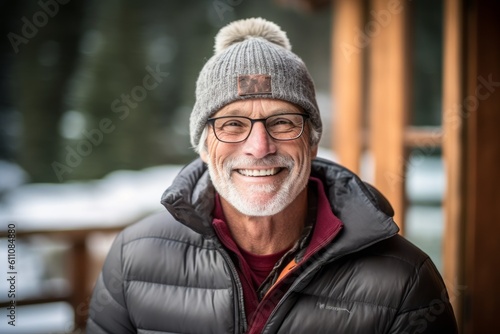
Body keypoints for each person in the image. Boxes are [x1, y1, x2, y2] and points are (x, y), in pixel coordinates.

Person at [86, 17, 458, 333]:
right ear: (202, 146)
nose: (259, 146)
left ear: (312, 143)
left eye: (282, 122)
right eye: (232, 124)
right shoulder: (132, 259)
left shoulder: (404, 280)